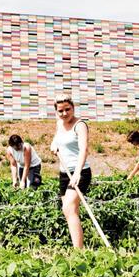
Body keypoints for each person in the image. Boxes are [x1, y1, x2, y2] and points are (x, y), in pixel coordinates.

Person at [49, 94, 92, 249]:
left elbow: (84, 150)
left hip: (80, 172)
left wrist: (78, 173)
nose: (64, 113)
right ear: (56, 112)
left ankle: (78, 251)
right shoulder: (59, 123)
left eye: (68, 109)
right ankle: (78, 247)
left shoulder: (80, 125)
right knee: (70, 212)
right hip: (64, 173)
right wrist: (53, 145)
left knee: (68, 208)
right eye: (60, 111)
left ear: (73, 108)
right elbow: (56, 139)